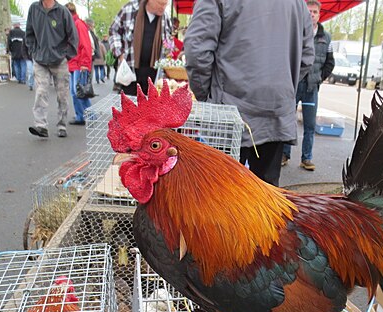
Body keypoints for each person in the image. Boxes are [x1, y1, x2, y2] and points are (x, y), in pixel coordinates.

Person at [185, 0, 314, 186]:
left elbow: (196, 50)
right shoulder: (298, 3)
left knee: (220, 196)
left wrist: (206, 95)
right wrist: (283, 85)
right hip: (276, 111)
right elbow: (307, 56)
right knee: (265, 202)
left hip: (228, 113)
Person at [282, 0, 334, 171]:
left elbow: (330, 63)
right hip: (295, 85)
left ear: (319, 15)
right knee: (288, 121)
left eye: (314, 12)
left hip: (312, 88)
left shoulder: (326, 38)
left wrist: (319, 78)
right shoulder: (296, 32)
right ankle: (284, 154)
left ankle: (306, 158)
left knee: (309, 125)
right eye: (309, 11)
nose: (311, 15)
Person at [25, 0, 77, 138]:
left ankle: (62, 124)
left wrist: (66, 55)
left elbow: (73, 35)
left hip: (59, 60)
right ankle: (41, 125)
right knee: (41, 91)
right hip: (40, 59)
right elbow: (29, 33)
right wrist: (33, 52)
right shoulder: (34, 9)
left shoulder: (62, 12)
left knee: (62, 95)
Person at [108, 0, 173, 96]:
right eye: (160, 4)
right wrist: (119, 53)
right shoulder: (129, 9)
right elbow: (114, 30)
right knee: (129, 107)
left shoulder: (165, 17)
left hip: (154, 75)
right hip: (130, 72)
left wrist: (168, 53)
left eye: (165, 4)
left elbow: (169, 41)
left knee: (150, 108)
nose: (163, 8)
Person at [65, 3, 92, 127]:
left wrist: (85, 64)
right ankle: (81, 116)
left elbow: (85, 45)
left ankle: (90, 115)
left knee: (79, 92)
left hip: (79, 64)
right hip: (73, 63)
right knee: (76, 92)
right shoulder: (72, 25)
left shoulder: (78, 25)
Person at [87, 18, 107, 84]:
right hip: (99, 58)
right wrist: (104, 58)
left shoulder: (94, 41)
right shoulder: (101, 44)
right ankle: (101, 77)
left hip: (95, 59)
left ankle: (97, 79)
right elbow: (104, 52)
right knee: (101, 69)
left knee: (95, 70)